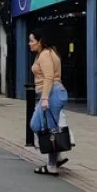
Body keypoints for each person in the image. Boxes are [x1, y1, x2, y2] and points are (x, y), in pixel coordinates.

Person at [29, 29, 70, 176]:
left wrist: (45, 98)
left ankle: (52, 165)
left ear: (40, 41)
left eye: (32, 41)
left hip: (51, 93)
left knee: (48, 129)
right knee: (37, 125)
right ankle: (57, 156)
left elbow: (49, 77)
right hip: (54, 92)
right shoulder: (49, 52)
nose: (29, 44)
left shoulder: (45, 54)